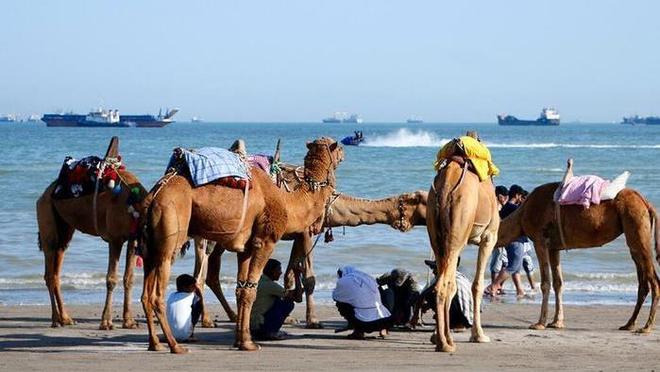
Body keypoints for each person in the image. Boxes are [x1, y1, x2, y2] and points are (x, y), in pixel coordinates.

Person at [486, 184, 532, 297]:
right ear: (517, 195)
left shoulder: (505, 208)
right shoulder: (516, 209)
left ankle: (520, 290)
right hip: (516, 239)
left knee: (516, 267)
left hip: (509, 240)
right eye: (521, 196)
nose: (521, 199)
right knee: (513, 266)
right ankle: (494, 286)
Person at [412, 258, 473, 330]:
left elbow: (424, 294)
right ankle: (453, 322)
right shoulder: (461, 278)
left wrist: (415, 316)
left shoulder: (451, 279)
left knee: (431, 294)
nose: (433, 272)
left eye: (435, 269)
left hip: (461, 318)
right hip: (465, 316)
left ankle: (453, 323)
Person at [250, 258, 303, 340]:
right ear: (271, 271)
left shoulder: (260, 281)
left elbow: (291, 293)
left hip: (251, 326)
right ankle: (270, 332)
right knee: (288, 303)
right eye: (278, 270)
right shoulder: (270, 285)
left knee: (280, 300)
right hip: (259, 327)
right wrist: (297, 275)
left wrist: (302, 288)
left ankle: (268, 331)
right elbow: (298, 298)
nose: (281, 272)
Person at [333, 266, 392, 339]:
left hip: (364, 322)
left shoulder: (344, 281)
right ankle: (383, 329)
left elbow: (335, 296)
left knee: (341, 303)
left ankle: (358, 332)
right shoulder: (367, 277)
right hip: (383, 321)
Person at [166, 274, 205, 342]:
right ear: (185, 287)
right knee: (198, 304)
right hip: (184, 335)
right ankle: (190, 334)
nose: (195, 288)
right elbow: (200, 302)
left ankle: (174, 333)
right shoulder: (193, 296)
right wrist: (199, 292)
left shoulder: (171, 295)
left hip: (169, 335)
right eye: (193, 286)